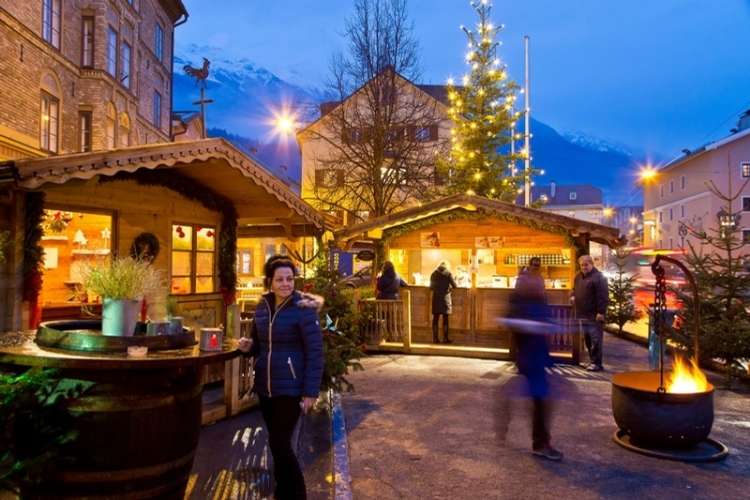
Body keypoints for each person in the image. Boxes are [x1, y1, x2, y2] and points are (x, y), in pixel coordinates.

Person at [238, 256, 324, 500]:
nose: (286, 283)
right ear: (270, 282)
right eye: (280, 279)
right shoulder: (263, 307)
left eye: (289, 279)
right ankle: (282, 492)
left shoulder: (303, 308)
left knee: (280, 443)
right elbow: (259, 345)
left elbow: (315, 352)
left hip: (292, 387)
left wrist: (310, 392)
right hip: (267, 388)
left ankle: (297, 494)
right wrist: (248, 345)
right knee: (277, 445)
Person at [507, 257, 563, 461]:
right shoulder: (521, 297)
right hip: (531, 357)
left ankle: (541, 441)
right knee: (540, 400)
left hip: (537, 355)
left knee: (541, 400)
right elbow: (515, 323)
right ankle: (540, 443)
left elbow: (540, 320)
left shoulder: (535, 295)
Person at [572, 254, 609, 372]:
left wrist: (601, 312)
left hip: (594, 315)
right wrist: (572, 296)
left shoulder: (599, 277)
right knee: (588, 340)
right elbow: (574, 290)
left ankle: (597, 363)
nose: (584, 267)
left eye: (586, 265)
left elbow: (603, 296)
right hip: (582, 314)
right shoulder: (578, 277)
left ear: (591, 264)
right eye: (582, 265)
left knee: (596, 340)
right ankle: (591, 361)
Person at [430, 261, 458, 344]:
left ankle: (435, 339)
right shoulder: (448, 273)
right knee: (445, 319)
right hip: (445, 298)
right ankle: (445, 338)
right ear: (446, 266)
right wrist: (448, 287)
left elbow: (431, 288)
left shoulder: (434, 274)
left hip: (436, 298)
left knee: (435, 318)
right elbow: (455, 286)